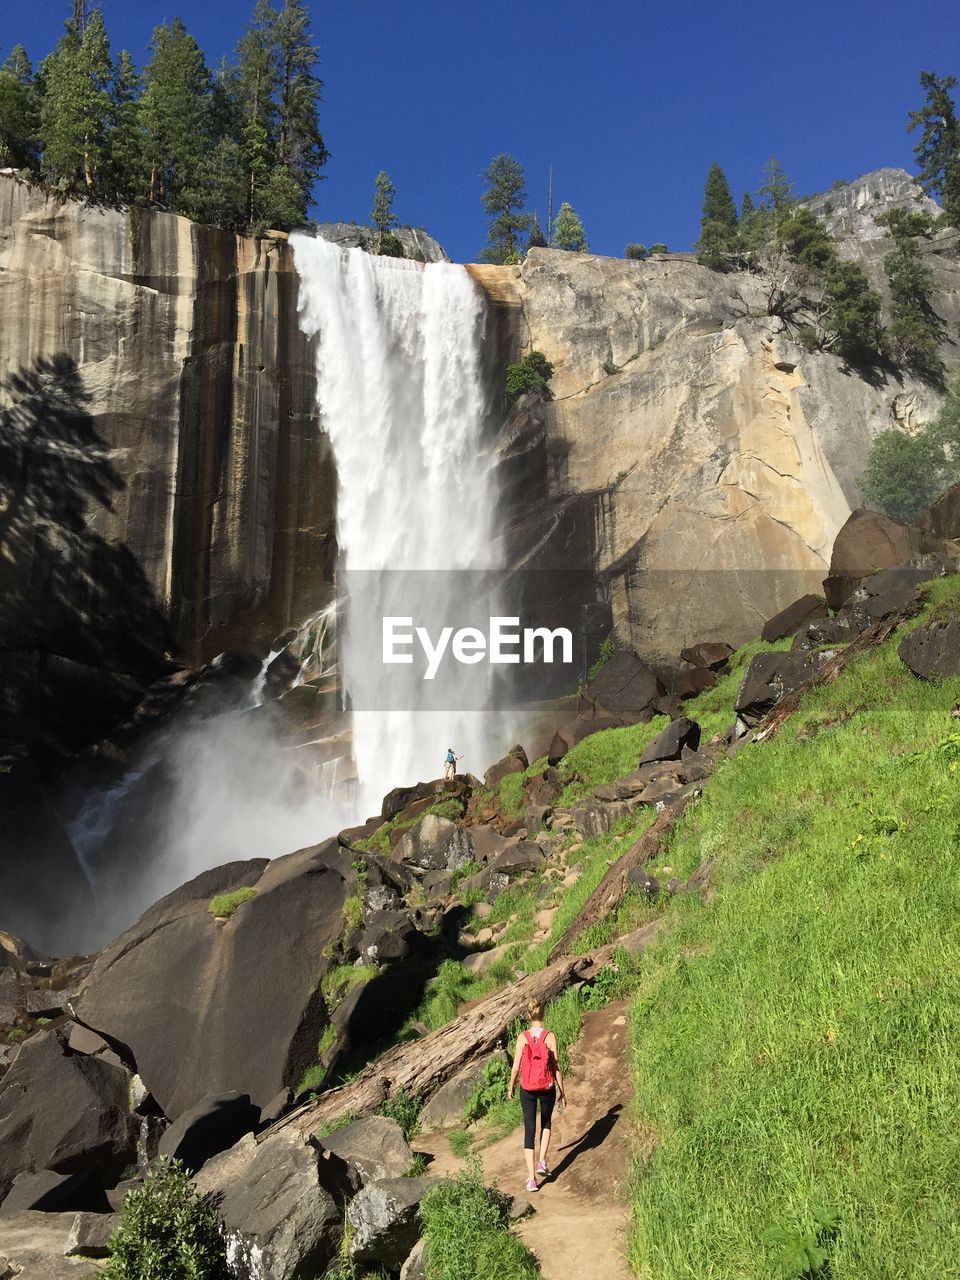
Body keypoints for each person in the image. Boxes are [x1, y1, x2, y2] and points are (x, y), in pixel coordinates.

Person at [507, 998, 565, 1192]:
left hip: (528, 1088)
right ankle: (542, 1161)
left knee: (529, 1130)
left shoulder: (523, 1037)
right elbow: (556, 1067)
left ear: (529, 1015)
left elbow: (515, 1067)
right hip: (547, 1086)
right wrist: (562, 1090)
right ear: (543, 1014)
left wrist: (511, 1086)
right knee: (546, 1122)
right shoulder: (550, 1037)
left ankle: (532, 1179)